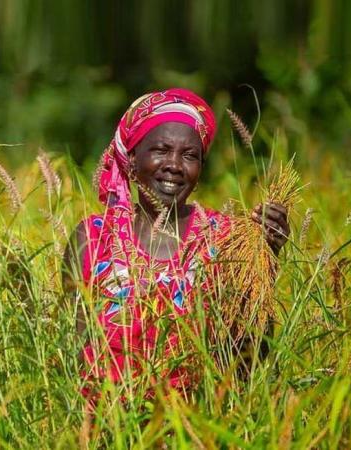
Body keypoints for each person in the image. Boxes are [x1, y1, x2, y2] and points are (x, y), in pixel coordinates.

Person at [62, 88, 289, 395]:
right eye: (161, 150)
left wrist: (263, 262)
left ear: (201, 170)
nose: (174, 165)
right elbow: (71, 351)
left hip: (193, 429)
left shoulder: (224, 239)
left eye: (189, 155)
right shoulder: (92, 238)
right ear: (131, 160)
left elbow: (250, 362)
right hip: (103, 426)